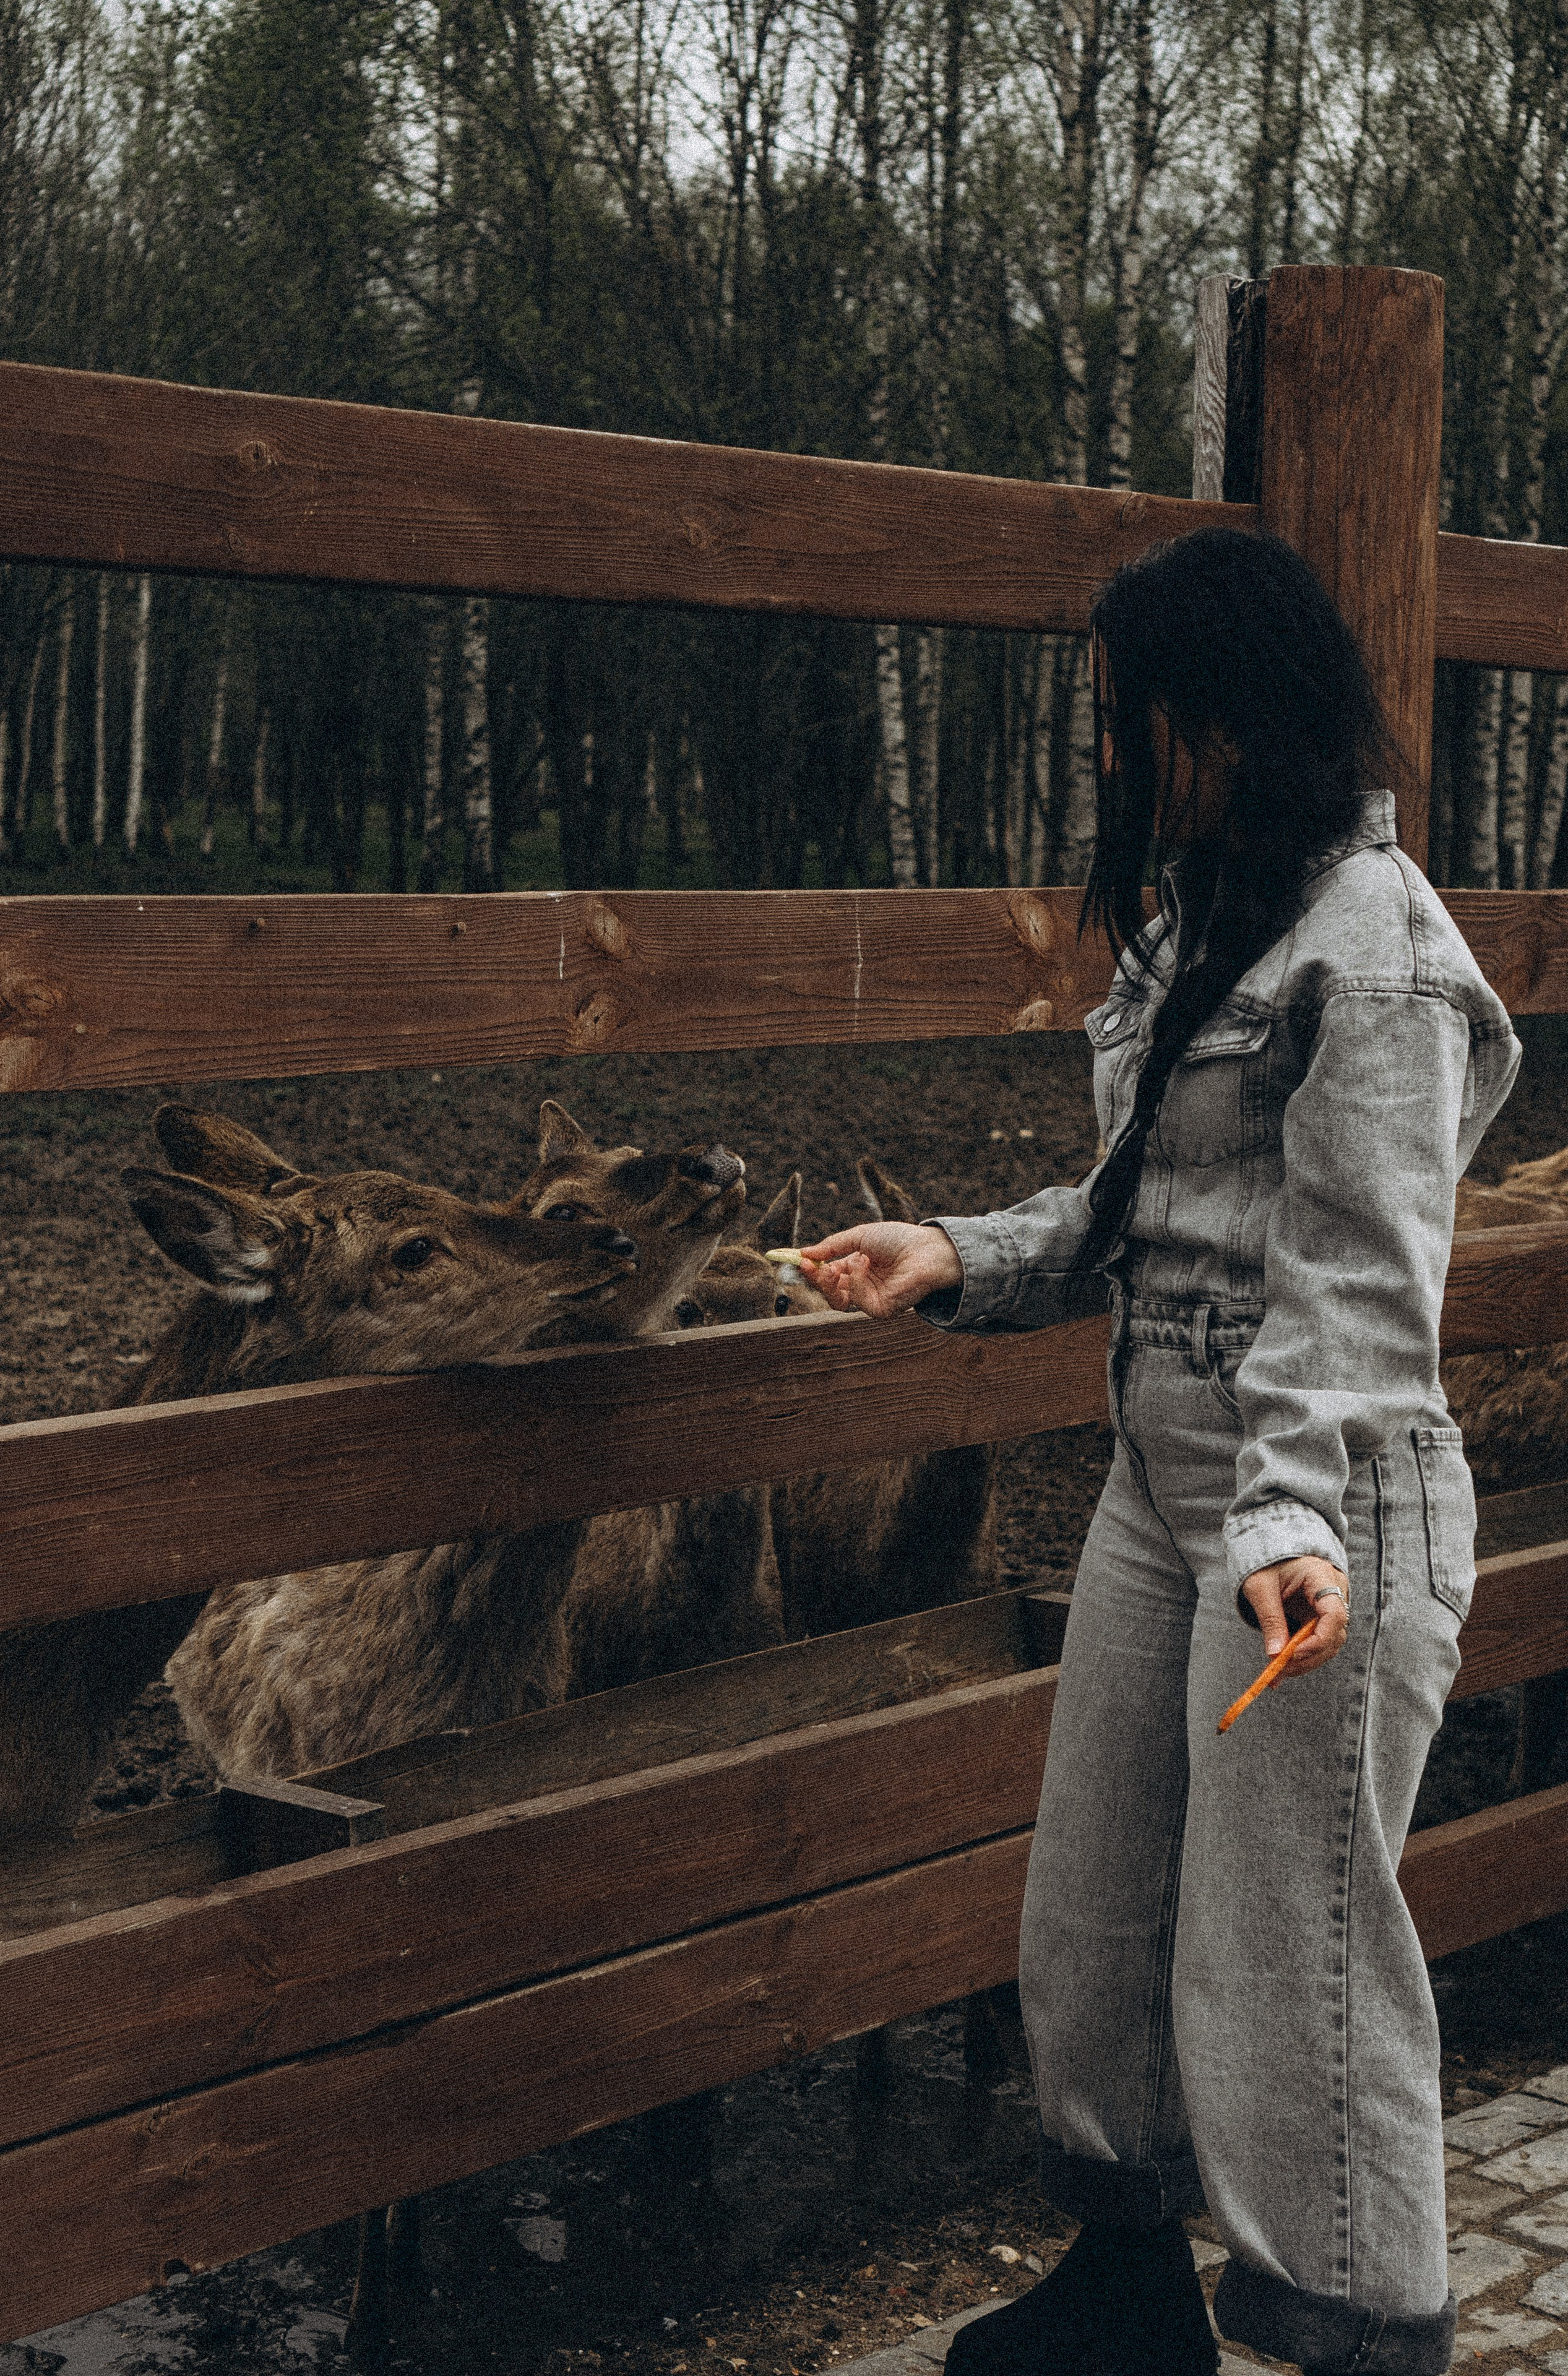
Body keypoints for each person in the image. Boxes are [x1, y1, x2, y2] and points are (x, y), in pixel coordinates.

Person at [799, 528, 1520, 2376]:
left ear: (1232, 713)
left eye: (1134, 718)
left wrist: (1282, 1517)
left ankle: (1360, 2336)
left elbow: (1363, 1288)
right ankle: (1124, 2299)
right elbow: (1150, 1208)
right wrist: (960, 1253)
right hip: (1164, 1479)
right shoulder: (1217, 914)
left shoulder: (1380, 955)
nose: (1113, 753)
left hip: (1323, 1514)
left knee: (1298, 1966)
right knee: (1099, 1914)